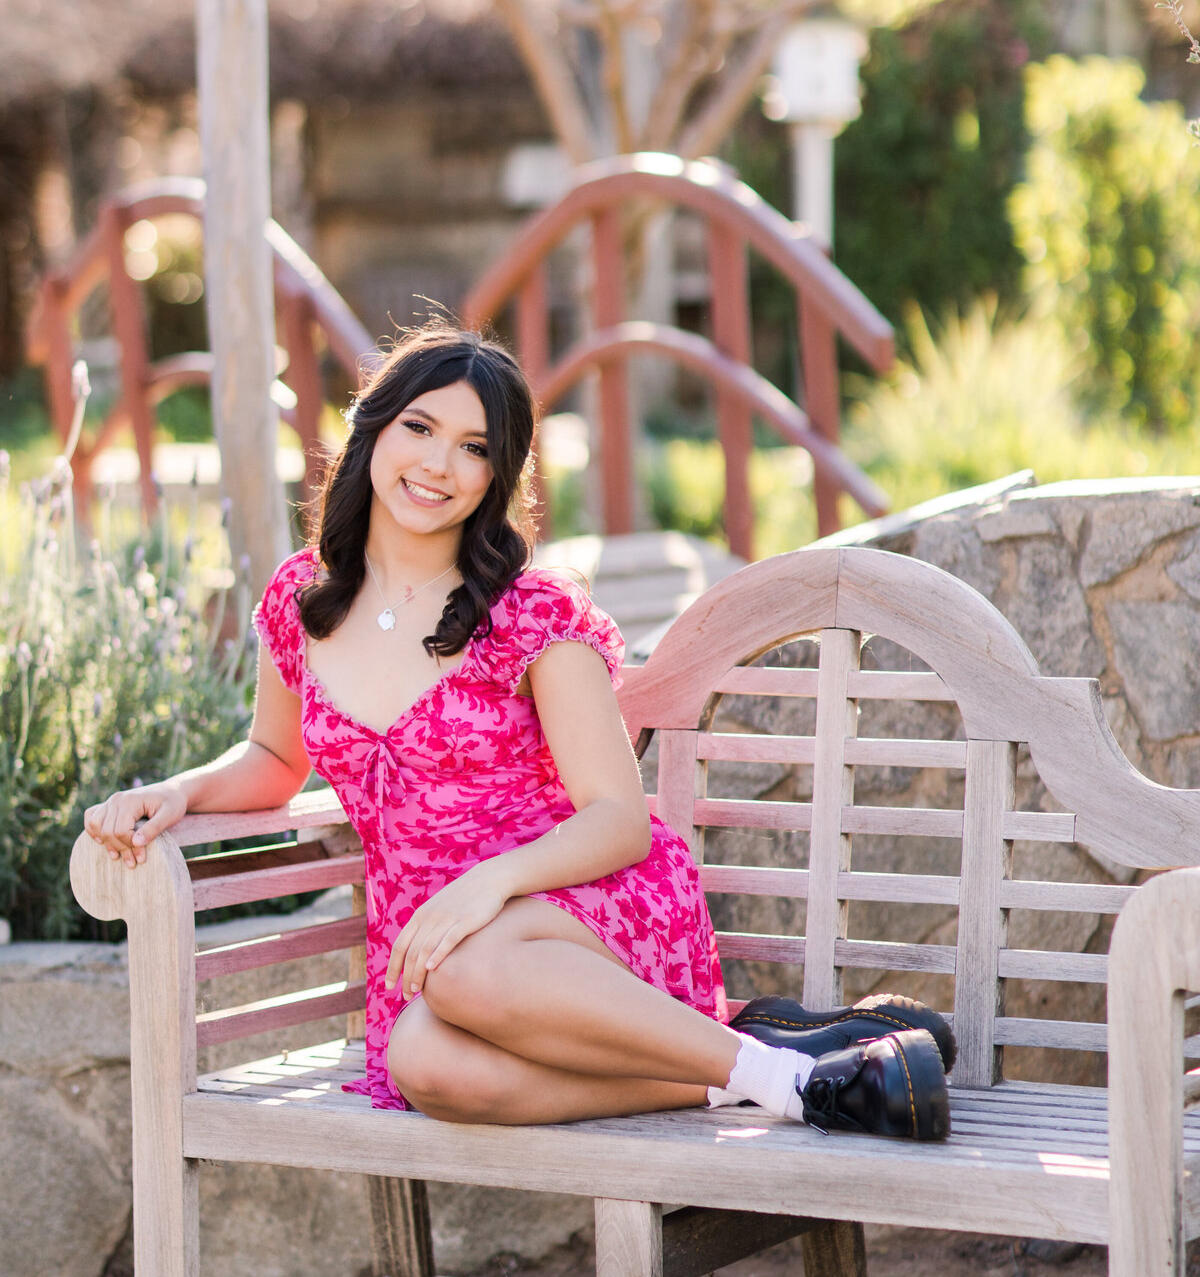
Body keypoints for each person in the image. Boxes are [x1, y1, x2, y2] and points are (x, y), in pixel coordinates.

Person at [85, 322, 951, 1140]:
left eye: (474, 449)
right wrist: (176, 793)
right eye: (419, 427)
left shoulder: (530, 613)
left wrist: (488, 886)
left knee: (466, 966)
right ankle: (778, 1063)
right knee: (423, 1064)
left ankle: (793, 1085)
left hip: (583, 906)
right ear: (373, 430)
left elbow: (616, 815)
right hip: (433, 952)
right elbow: (276, 761)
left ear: (499, 477)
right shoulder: (299, 602)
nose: (438, 464)